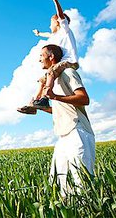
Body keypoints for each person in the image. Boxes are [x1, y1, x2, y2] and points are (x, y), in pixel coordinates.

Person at [38, 44, 95, 196]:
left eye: (41, 56)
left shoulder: (68, 72)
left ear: (51, 57)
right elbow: (59, 109)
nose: (39, 60)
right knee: (61, 186)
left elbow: (84, 99)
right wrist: (41, 108)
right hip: (63, 136)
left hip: (77, 131)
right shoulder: (53, 82)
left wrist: (55, 97)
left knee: (81, 184)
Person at [17, 0, 79, 113]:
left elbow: (61, 17)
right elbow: (47, 34)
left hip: (69, 62)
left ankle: (45, 99)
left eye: (51, 23)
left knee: (50, 71)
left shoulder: (65, 30)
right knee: (42, 80)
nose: (49, 25)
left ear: (57, 23)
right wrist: (39, 34)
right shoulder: (54, 35)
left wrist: (56, 1)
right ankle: (34, 104)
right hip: (59, 64)